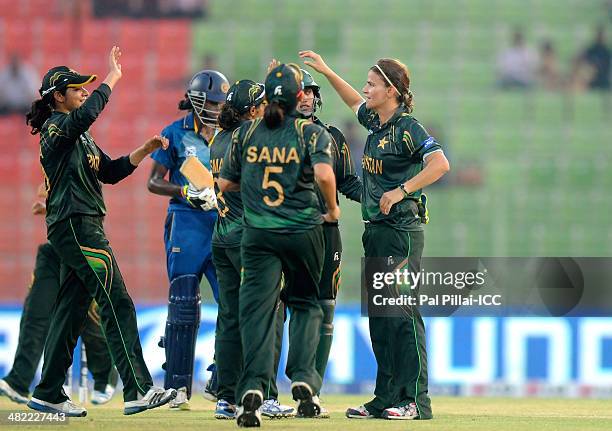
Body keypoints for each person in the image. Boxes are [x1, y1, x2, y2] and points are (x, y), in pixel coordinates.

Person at [25, 46, 175, 417]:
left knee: (73, 310)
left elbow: (109, 171)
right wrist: (112, 78)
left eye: (84, 87)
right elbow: (87, 116)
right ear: (58, 97)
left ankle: (47, 392)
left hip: (79, 224)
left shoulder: (78, 136)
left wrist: (144, 149)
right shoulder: (56, 128)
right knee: (117, 300)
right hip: (77, 224)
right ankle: (138, 390)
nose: (84, 92)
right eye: (76, 88)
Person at [300, 50, 450, 420]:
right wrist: (327, 70)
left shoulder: (408, 128)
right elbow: (353, 101)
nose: (365, 89)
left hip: (402, 231)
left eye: (372, 84)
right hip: (378, 231)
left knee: (402, 313)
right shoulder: (377, 124)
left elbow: (440, 164)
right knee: (381, 317)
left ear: (392, 90)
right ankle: (385, 397)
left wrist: (402, 190)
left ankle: (416, 400)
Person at [218, 63, 340, 428]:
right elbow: (322, 173)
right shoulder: (310, 132)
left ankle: (252, 389)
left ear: (267, 98)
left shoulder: (246, 133)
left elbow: (225, 184)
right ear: (300, 97)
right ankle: (303, 377)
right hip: (303, 231)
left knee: (256, 311)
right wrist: (331, 209)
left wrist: (256, 192)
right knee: (305, 304)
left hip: (257, 236)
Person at [210, 79, 293, 420]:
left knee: (230, 318)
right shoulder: (252, 139)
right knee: (267, 316)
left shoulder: (218, 139)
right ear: (255, 109)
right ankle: (266, 395)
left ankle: (226, 398)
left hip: (222, 238)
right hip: (251, 240)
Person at [147, 69, 229, 409]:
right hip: (187, 222)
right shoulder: (175, 134)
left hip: (224, 224)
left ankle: (222, 381)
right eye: (211, 101)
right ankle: (177, 387)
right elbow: (153, 182)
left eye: (220, 102)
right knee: (183, 303)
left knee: (232, 305)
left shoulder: (233, 134)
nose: (217, 108)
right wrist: (185, 191)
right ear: (196, 100)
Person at [0, 184, 118, 406]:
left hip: (83, 249)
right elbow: (44, 197)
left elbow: (97, 213)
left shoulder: (85, 165)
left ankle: (105, 375)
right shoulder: (51, 169)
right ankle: (19, 381)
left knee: (85, 320)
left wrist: (54, 209)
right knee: (36, 315)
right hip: (53, 252)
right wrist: (48, 206)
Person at [294, 67, 362, 417]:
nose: (305, 96)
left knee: (325, 308)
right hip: (287, 233)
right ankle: (266, 392)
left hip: (326, 232)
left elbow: (348, 182)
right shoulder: (271, 135)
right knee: (282, 310)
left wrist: (385, 195)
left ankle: (312, 392)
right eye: (299, 90)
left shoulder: (332, 136)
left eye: (310, 91)